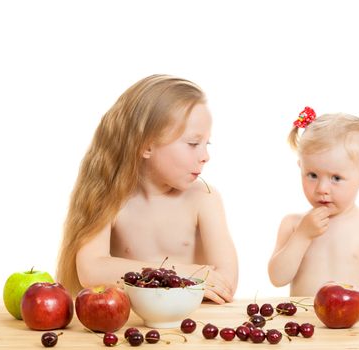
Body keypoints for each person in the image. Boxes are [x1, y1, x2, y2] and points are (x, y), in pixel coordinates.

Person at [56, 74, 238, 304]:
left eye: (206, 144)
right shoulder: (111, 198)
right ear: (147, 145)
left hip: (190, 325)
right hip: (129, 328)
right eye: (193, 144)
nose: (205, 157)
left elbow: (226, 281)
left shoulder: (204, 199)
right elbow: (91, 270)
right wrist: (182, 274)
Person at [268, 107, 359, 300]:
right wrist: (302, 235)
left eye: (336, 178)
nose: (322, 188)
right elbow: (277, 278)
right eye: (312, 175)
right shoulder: (293, 225)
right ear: (300, 168)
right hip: (304, 326)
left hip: (353, 326)